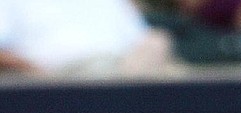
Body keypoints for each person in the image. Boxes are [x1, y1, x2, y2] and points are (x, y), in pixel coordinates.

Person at [0, 0, 181, 76]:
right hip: (54, 82)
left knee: (157, 41)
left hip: (121, 76)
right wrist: (37, 75)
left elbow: (143, 38)